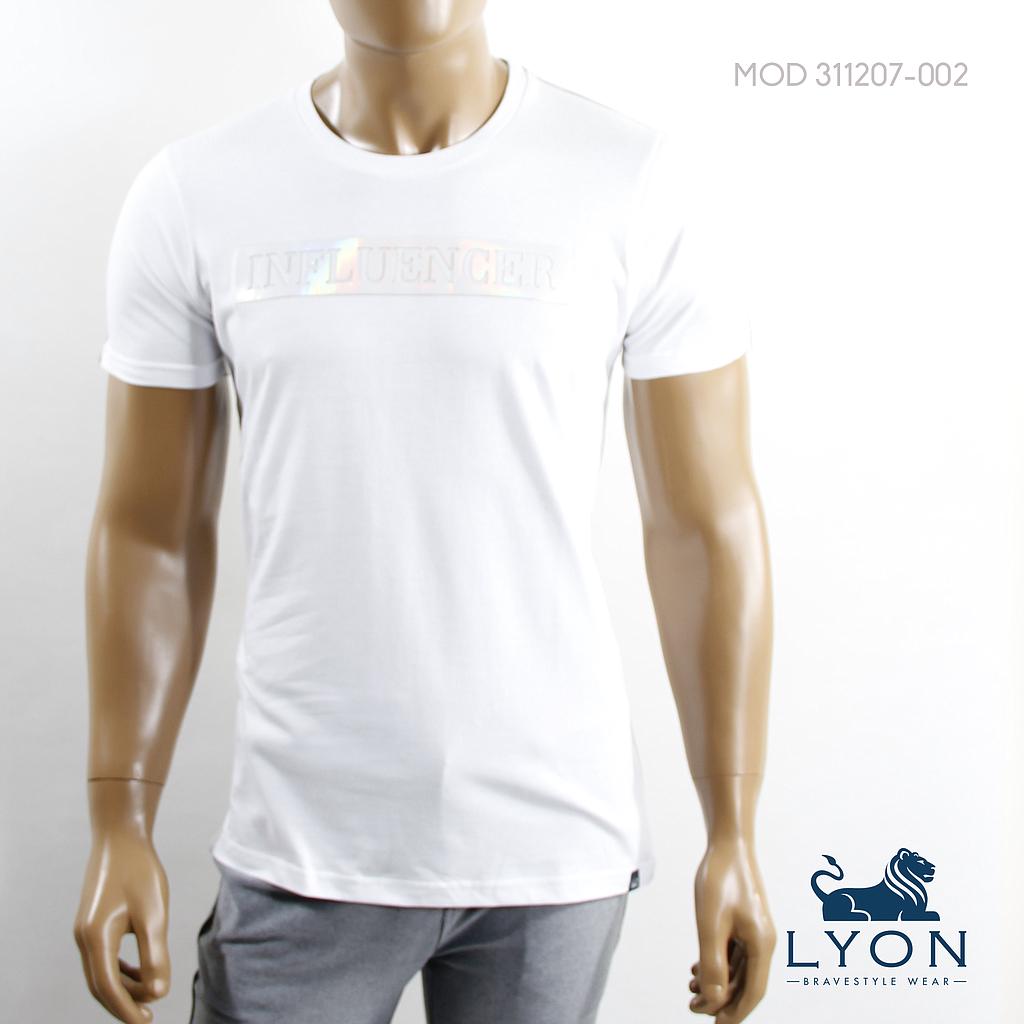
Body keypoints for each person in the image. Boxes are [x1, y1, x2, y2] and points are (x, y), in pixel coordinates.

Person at [74, 2, 776, 1022]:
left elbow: (704, 527)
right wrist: (118, 813)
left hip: (551, 849)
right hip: (303, 845)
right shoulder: (197, 193)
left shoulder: (633, 180)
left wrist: (735, 828)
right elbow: (152, 532)